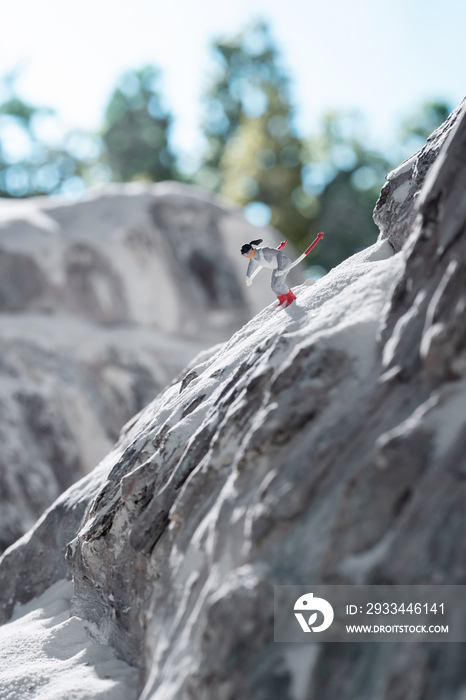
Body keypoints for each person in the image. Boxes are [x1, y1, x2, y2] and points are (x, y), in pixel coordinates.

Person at [240, 238, 297, 308]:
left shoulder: (264, 251)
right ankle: (282, 299)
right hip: (276, 268)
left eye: (245, 254)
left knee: (278, 285)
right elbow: (251, 265)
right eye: (243, 256)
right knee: (273, 287)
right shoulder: (252, 258)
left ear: (251, 250)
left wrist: (280, 268)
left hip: (284, 264)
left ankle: (291, 298)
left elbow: (279, 253)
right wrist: (248, 277)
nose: (245, 257)